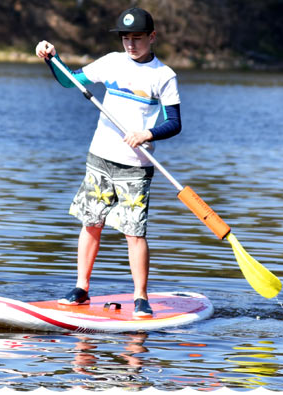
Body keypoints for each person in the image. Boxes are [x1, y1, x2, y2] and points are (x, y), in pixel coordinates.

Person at [34, 7, 182, 318]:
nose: (131, 44)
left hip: (135, 165)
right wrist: (52, 58)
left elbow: (174, 122)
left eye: (138, 38)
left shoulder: (164, 76)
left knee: (134, 232)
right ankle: (81, 288)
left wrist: (147, 133)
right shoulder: (112, 62)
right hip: (100, 157)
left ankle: (140, 297)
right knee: (91, 223)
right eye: (126, 38)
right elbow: (69, 81)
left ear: (152, 37)